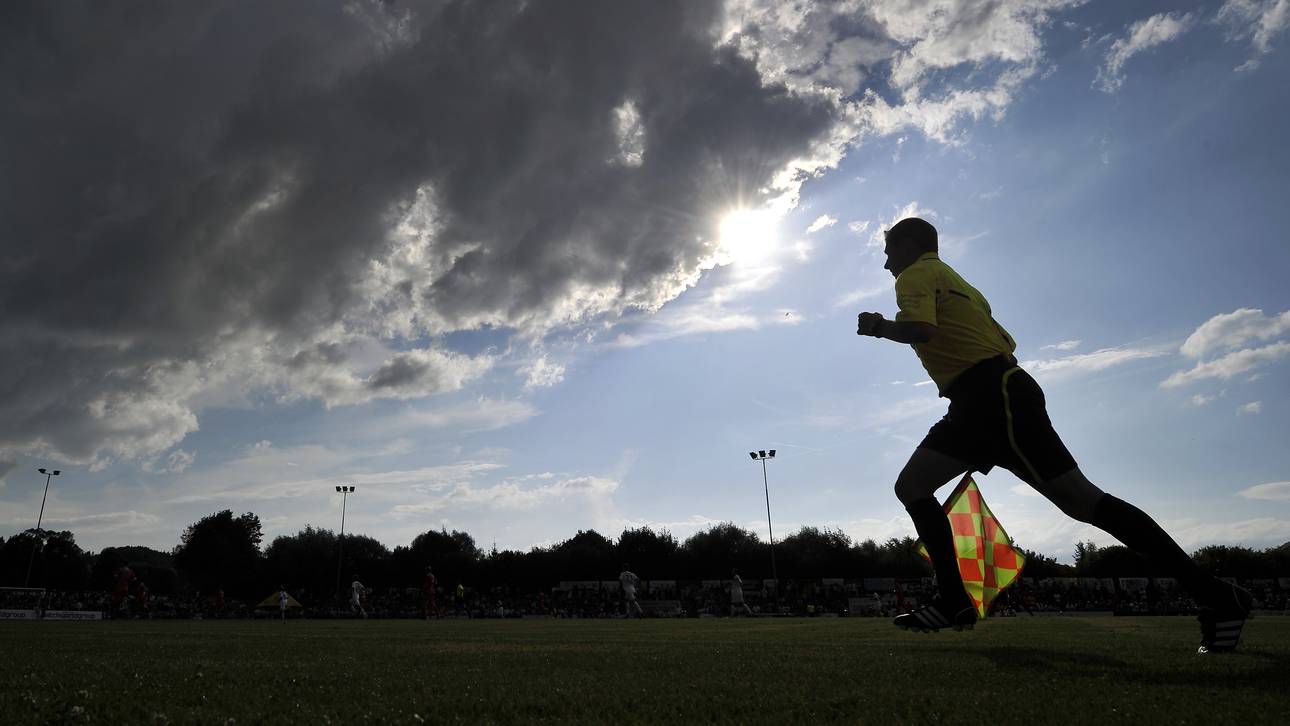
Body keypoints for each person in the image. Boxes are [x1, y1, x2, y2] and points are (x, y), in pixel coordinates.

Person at [856, 217, 1252, 653]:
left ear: (911, 245)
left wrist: (880, 326)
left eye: (890, 248)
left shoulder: (915, 274)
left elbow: (921, 330)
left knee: (1084, 502)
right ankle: (952, 599)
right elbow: (996, 338)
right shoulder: (957, 281)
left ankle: (1218, 597)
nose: (886, 260)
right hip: (988, 395)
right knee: (913, 485)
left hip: (990, 396)